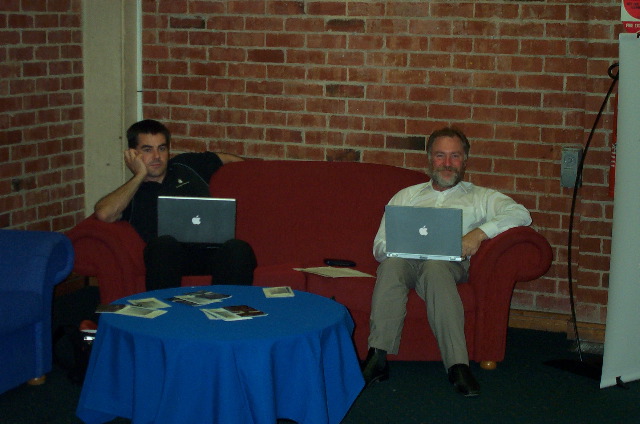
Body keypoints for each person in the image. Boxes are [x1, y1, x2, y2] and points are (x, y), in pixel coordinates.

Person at [361, 127, 532, 397]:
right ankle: (377, 357)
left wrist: (478, 234)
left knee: (435, 267)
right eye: (441, 156)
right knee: (391, 266)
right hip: (406, 261)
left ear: (465, 160)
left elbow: (521, 214)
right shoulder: (407, 196)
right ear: (430, 158)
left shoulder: (480, 196)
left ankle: (457, 365)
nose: (447, 163)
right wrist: (402, 247)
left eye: (455, 156)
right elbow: (379, 247)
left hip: (449, 265)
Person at [94, 119, 257, 290]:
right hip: (167, 259)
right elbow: (104, 213)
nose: (157, 156)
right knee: (163, 245)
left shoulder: (186, 165)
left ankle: (228, 311)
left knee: (239, 249)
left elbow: (228, 159)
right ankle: (165, 312)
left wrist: (253, 175)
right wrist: (140, 175)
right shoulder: (131, 191)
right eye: (147, 150)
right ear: (133, 154)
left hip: (210, 253)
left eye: (162, 148)